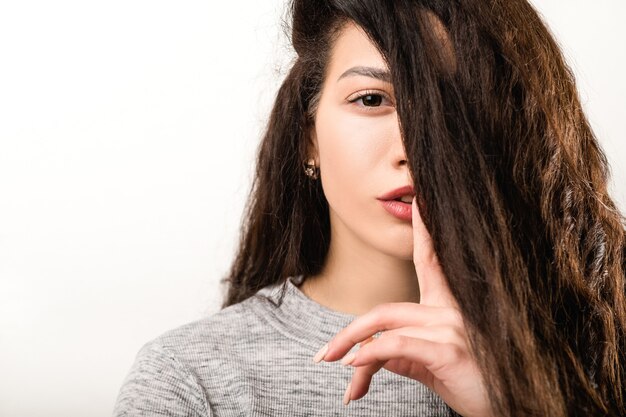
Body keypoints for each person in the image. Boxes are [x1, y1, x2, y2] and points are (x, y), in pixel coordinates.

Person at [113, 0, 626, 416]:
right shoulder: (190, 379)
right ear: (307, 140)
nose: (413, 148)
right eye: (372, 100)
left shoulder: (601, 352)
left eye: (453, 107)